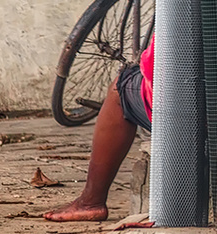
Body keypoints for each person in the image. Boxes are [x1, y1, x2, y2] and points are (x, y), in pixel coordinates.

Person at [42, 39, 153, 222]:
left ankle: (91, 201)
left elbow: (153, 66)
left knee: (121, 88)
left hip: (190, 115)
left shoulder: (180, 13)